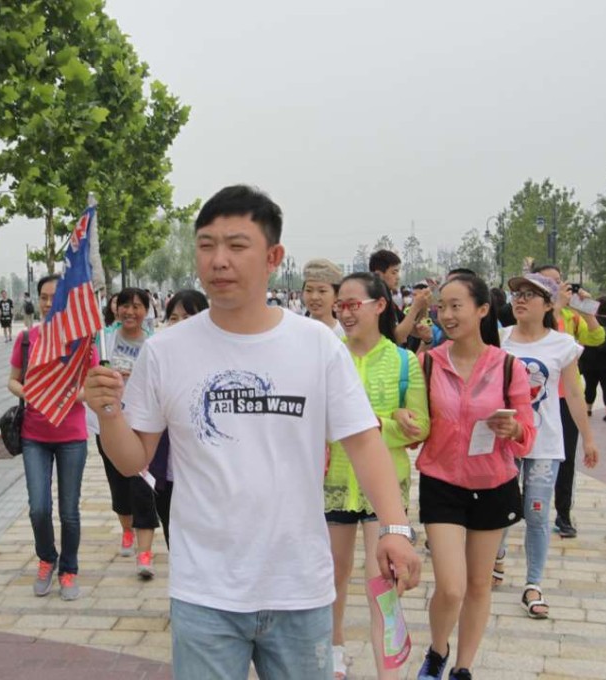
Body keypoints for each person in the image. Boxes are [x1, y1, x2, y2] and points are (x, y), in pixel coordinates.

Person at [85, 185, 420, 680]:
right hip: (204, 590)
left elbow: (363, 440)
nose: (219, 260)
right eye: (206, 245)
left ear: (273, 256)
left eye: (236, 246)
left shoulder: (316, 346)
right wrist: (109, 411)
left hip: (299, 586)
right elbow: (135, 461)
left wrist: (394, 529)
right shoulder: (167, 351)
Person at [416, 273, 535, 680]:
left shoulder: (508, 367)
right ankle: (437, 649)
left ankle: (463, 668)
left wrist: (514, 430)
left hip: (493, 485)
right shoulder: (428, 362)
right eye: (442, 307)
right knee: (451, 587)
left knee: (479, 584)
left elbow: (527, 435)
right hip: (442, 482)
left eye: (456, 306)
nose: (446, 315)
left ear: (482, 310)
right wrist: (407, 424)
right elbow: (419, 425)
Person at [326, 272, 430, 680]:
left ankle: (388, 670)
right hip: (331, 483)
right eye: (341, 305)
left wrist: (374, 426)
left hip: (384, 489)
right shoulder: (329, 356)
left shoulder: (404, 361)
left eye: (354, 304)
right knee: (332, 578)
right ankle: (333, 652)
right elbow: (322, 421)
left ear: (380, 305)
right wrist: (386, 422)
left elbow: (420, 425)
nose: (346, 313)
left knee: (382, 583)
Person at [498, 274, 599, 620]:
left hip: (545, 442)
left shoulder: (562, 344)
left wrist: (588, 437)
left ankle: (533, 583)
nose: (520, 300)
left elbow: (573, 393)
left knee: (538, 513)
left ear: (548, 303)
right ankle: (494, 558)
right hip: (504, 443)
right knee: (500, 509)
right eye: (516, 294)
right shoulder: (498, 340)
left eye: (530, 295)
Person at [8, 274, 96, 601]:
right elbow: (12, 381)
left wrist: (64, 395)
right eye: (43, 297)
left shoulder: (84, 342)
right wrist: (33, 392)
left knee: (69, 510)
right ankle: (47, 558)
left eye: (54, 297)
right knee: (38, 508)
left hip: (72, 435)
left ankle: (69, 569)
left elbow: (91, 388)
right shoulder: (28, 339)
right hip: (34, 435)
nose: (48, 303)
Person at [93, 287, 161, 578]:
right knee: (119, 483)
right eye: (125, 306)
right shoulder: (104, 340)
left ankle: (145, 553)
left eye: (137, 306)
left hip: (143, 424)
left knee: (143, 488)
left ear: (147, 310)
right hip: (109, 423)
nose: (130, 312)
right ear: (116, 309)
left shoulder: (155, 344)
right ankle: (126, 530)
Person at [533, 265, 604, 538]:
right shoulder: (533, 315)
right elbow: (548, 336)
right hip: (537, 398)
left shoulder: (570, 316)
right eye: (547, 283)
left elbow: (595, 337)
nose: (555, 287)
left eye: (558, 282)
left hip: (567, 397)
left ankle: (563, 513)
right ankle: (530, 506)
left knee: (566, 458)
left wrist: (586, 309)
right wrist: (555, 307)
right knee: (530, 455)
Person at [146, 289, 210, 549]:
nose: (181, 324)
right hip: (168, 474)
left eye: (189, 317)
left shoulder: (222, 361)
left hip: (209, 478)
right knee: (178, 545)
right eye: (174, 317)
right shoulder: (158, 361)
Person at [579, 295, 606, 422]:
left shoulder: (590, 321)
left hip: (590, 359)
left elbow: (582, 338)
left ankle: (588, 408)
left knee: (590, 385)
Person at [302, 258, 344, 336]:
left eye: (322, 291)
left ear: (336, 295)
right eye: (309, 290)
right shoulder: (295, 332)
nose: (314, 297)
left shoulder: (345, 334)